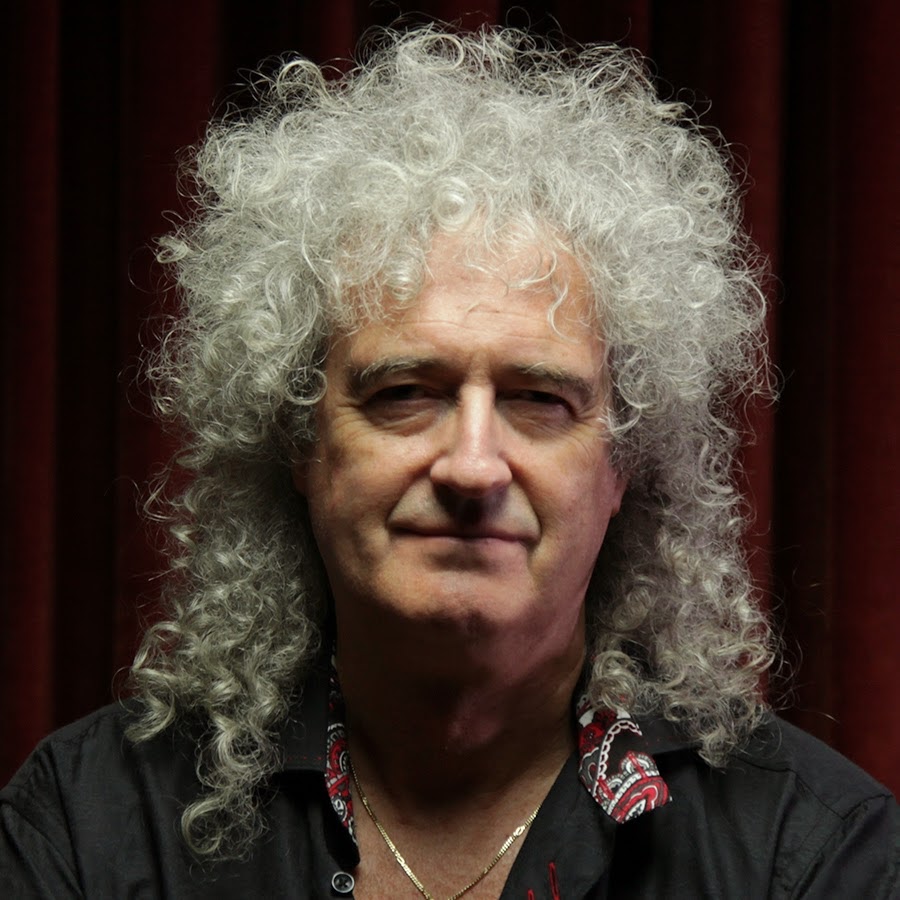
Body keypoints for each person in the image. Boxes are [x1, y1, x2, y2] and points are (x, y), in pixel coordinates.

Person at [1, 25, 897, 899]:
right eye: (403, 393)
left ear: (622, 464)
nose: (473, 467)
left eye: (539, 400)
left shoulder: (813, 856)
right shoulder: (87, 828)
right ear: (301, 443)